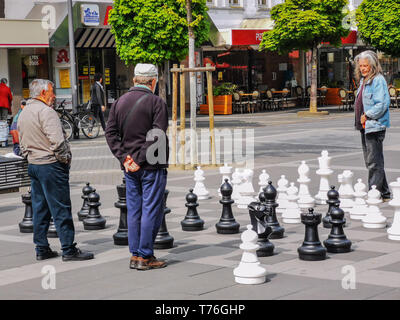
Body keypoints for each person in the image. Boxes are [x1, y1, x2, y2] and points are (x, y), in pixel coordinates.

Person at [17, 79, 94, 261]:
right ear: (43, 93)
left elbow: (20, 141)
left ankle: (41, 248)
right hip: (50, 165)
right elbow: (58, 142)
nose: (54, 96)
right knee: (60, 208)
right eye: (52, 92)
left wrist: (30, 156)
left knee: (40, 208)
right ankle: (68, 248)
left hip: (34, 165)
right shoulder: (46, 112)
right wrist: (64, 159)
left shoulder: (24, 112)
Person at [105, 64, 169, 271]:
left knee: (134, 209)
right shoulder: (157, 102)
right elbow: (157, 134)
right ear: (153, 81)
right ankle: (145, 255)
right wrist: (140, 159)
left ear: (134, 80)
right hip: (151, 164)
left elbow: (110, 133)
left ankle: (134, 254)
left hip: (129, 167)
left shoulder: (119, 103)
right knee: (151, 209)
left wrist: (126, 159)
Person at [353, 50, 391, 201]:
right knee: (372, 161)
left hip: (374, 125)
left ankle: (373, 193)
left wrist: (367, 114)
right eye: (361, 66)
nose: (362, 68)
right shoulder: (364, 80)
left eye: (365, 66)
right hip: (365, 126)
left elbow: (382, 104)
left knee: (374, 162)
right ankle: (385, 193)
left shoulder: (378, 80)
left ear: (373, 66)